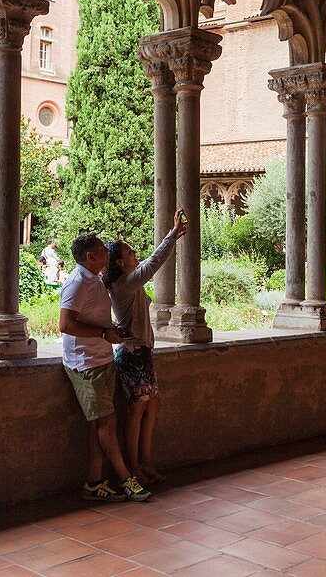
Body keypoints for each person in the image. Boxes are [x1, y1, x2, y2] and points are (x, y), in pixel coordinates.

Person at [59, 232, 151, 502]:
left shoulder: (96, 280)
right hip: (85, 364)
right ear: (90, 256)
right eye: (102, 249)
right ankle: (126, 478)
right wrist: (103, 333)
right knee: (107, 423)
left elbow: (96, 317)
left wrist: (112, 330)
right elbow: (65, 325)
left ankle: (94, 482)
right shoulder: (76, 284)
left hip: (101, 359)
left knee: (98, 425)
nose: (107, 252)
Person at [105, 210, 187, 485]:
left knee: (151, 407)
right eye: (129, 253)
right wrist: (172, 234)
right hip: (132, 355)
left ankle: (146, 460)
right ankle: (134, 466)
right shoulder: (124, 284)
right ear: (119, 262)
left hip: (142, 353)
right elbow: (154, 263)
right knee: (137, 411)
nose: (134, 253)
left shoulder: (129, 284)